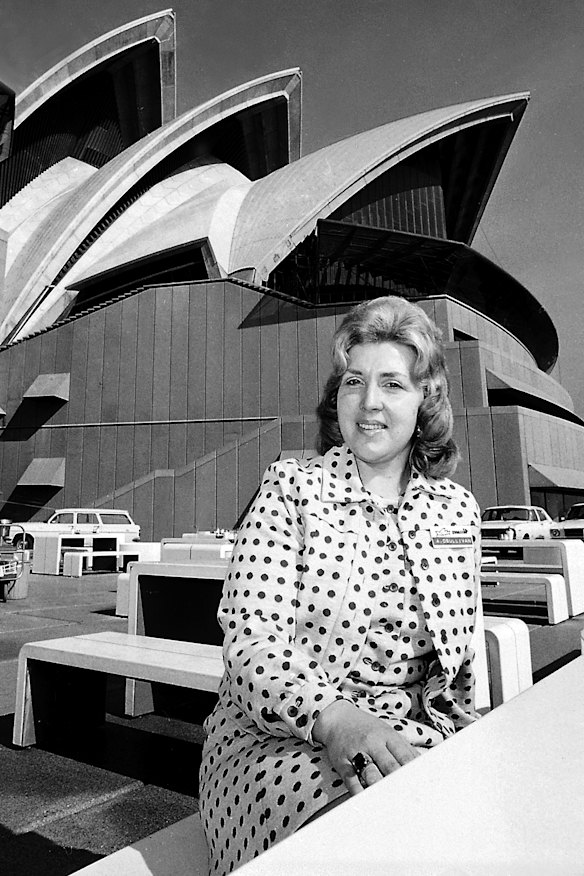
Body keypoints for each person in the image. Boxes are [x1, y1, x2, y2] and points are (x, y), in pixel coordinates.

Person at [199, 295, 482, 874]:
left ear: (426, 400)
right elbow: (252, 641)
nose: (370, 403)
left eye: (392, 384)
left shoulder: (458, 512)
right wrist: (337, 719)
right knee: (369, 846)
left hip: (412, 735)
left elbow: (456, 668)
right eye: (355, 381)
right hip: (276, 742)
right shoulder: (292, 488)